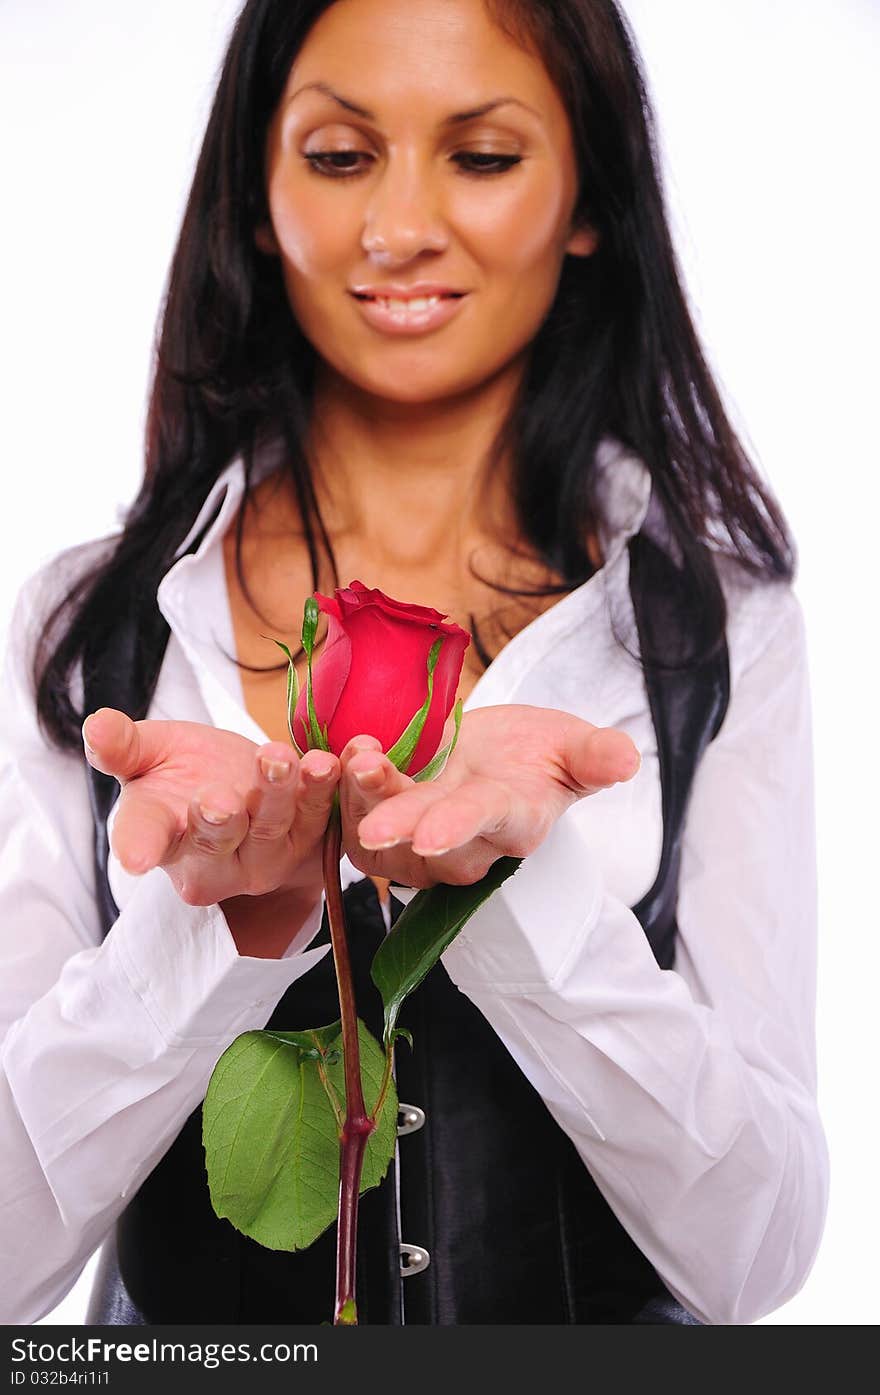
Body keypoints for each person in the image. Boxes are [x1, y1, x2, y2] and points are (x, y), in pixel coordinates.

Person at [0, 0, 828, 1326]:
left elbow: (758, 1255)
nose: (398, 227)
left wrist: (524, 892)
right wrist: (214, 930)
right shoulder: (90, 628)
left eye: (483, 155)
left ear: (587, 195)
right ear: (256, 194)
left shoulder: (712, 626)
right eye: (340, 156)